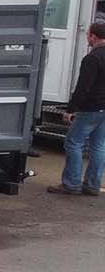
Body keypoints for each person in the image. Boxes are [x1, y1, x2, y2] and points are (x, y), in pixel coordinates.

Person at [54, 21, 105, 195]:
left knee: (73, 143)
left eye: (88, 35)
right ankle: (92, 185)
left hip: (90, 108)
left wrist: (70, 109)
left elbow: (83, 87)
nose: (87, 39)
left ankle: (72, 183)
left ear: (93, 36)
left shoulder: (92, 58)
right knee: (99, 146)